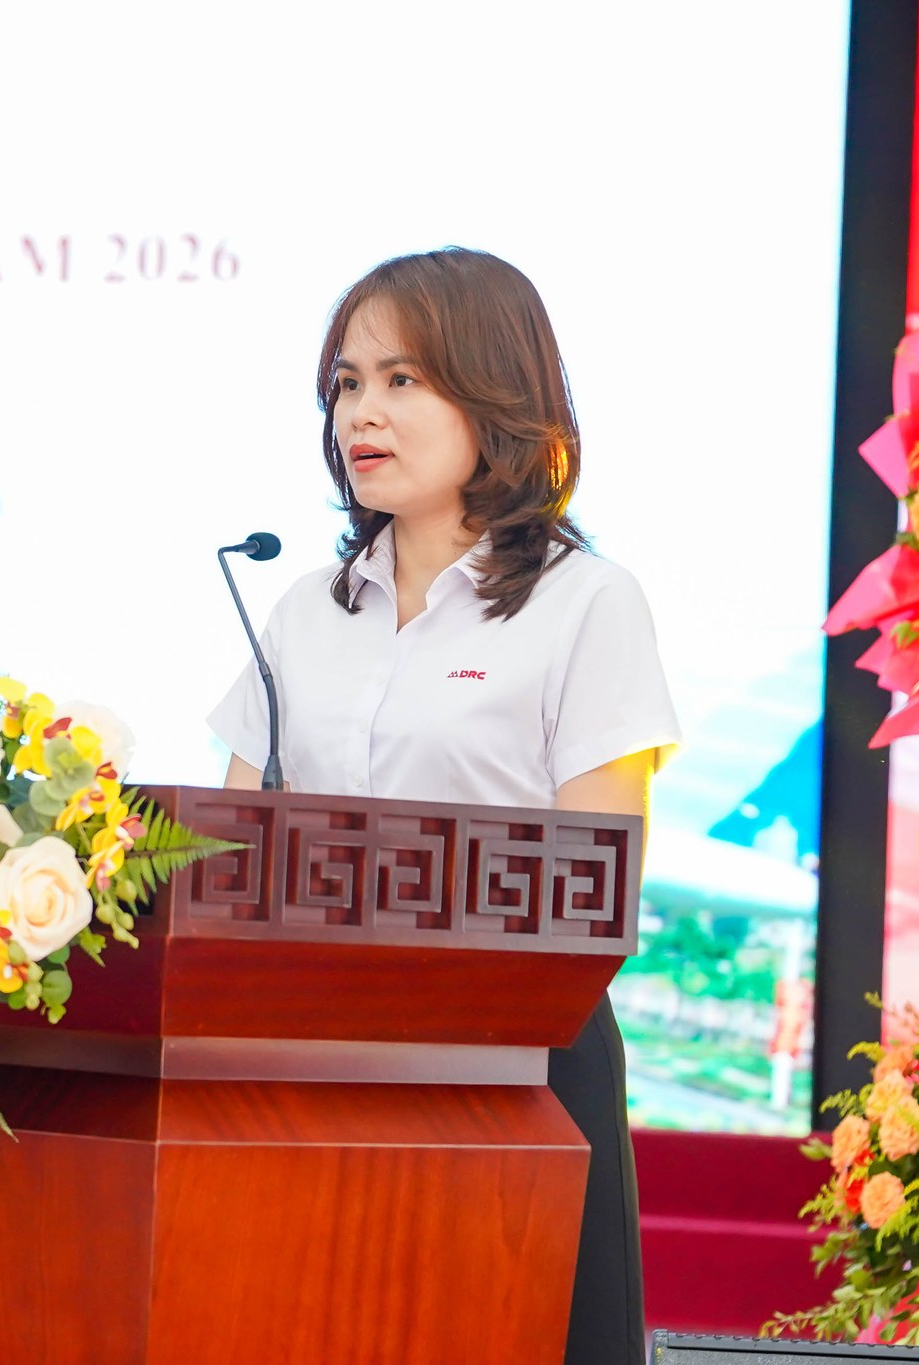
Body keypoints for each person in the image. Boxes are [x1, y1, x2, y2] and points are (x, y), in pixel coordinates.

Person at [208, 246, 679, 1365]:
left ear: (494, 393)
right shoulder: (304, 610)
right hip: (311, 1072)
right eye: (345, 384)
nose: (360, 413)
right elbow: (221, 865)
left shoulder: (585, 602)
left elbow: (594, 887)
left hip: (515, 1068)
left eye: (401, 379)